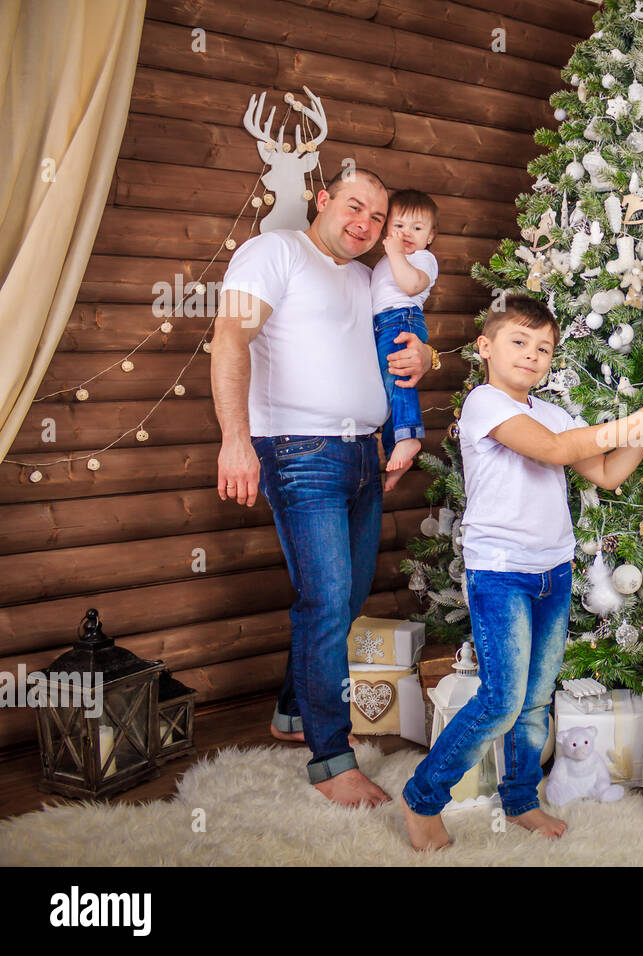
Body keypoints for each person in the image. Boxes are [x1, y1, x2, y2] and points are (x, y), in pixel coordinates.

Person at [401, 294, 643, 851]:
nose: (532, 355)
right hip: (500, 574)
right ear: (486, 348)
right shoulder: (485, 403)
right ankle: (422, 797)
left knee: (534, 698)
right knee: (502, 700)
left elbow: (604, 473)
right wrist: (629, 421)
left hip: (552, 571)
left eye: (544, 348)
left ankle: (521, 798)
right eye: (519, 342)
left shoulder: (553, 411)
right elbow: (552, 451)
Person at [211, 167, 437, 808]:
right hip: (298, 451)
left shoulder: (369, 276)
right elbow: (230, 339)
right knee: (328, 598)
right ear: (323, 200)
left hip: (364, 454)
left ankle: (290, 710)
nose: (364, 225)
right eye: (354, 207)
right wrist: (235, 439)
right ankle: (332, 759)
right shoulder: (274, 252)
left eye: (377, 217)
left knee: (342, 596)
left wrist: (431, 357)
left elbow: (402, 337)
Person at [371, 189, 440, 477]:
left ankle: (409, 435)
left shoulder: (423, 259)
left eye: (417, 227)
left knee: (399, 378)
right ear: (387, 229)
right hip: (382, 324)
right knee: (389, 387)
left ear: (430, 236)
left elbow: (411, 285)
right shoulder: (386, 261)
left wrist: (395, 252)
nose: (407, 233)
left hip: (402, 319)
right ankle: (395, 452)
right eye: (398, 226)